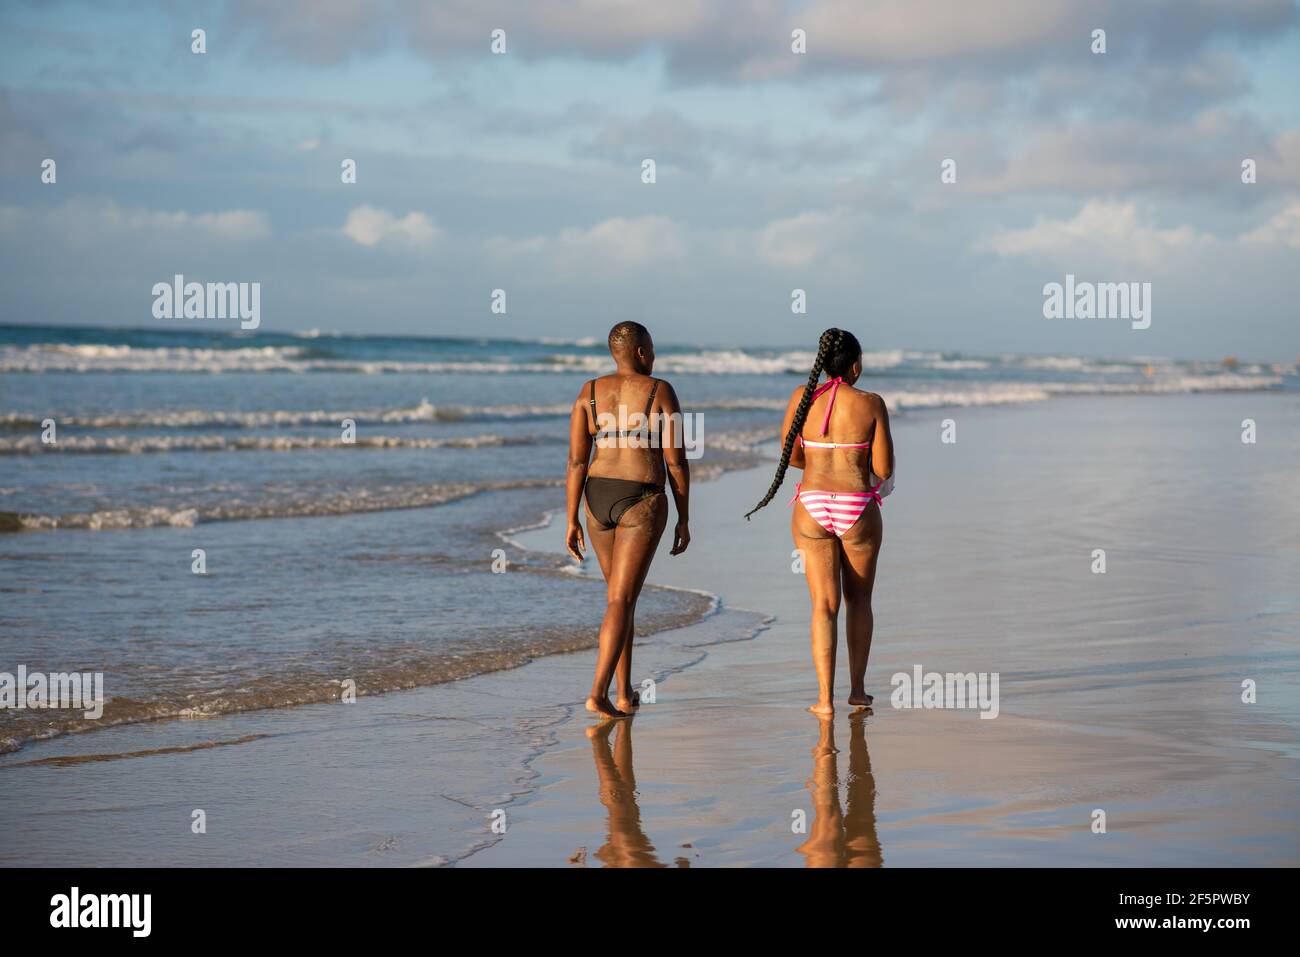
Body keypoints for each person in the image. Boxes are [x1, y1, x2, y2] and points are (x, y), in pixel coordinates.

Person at [745, 328, 893, 715]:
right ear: (856, 366)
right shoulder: (871, 403)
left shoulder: (801, 397)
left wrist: (821, 461)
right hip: (856, 507)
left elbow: (791, 455)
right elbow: (884, 468)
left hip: (811, 505)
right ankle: (857, 690)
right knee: (859, 599)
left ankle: (824, 700)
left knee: (822, 606)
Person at [566, 321, 690, 719]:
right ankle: (598, 693)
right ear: (640, 352)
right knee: (622, 599)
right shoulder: (659, 390)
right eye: (651, 349)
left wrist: (571, 519)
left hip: (595, 499)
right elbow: (675, 460)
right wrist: (684, 517)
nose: (654, 356)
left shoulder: (589, 393)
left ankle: (624, 691)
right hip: (640, 499)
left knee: (620, 600)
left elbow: (575, 461)